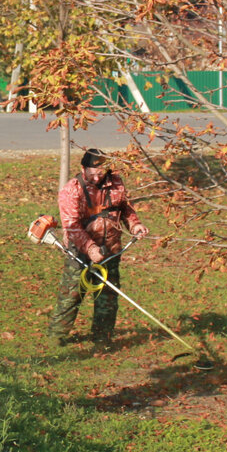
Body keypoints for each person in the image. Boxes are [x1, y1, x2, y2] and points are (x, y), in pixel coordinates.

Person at [47, 148, 148, 347]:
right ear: (83, 168)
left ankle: (102, 337)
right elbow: (72, 226)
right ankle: (57, 336)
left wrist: (135, 224)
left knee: (107, 297)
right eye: (92, 171)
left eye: (100, 170)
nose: (97, 175)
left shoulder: (116, 182)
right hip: (80, 251)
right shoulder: (71, 190)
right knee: (71, 294)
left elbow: (125, 208)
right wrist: (91, 249)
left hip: (110, 248)